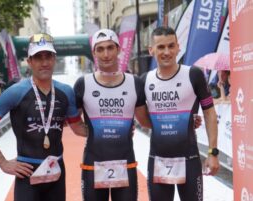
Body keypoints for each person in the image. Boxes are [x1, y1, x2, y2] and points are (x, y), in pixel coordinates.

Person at [0, 33, 87, 201]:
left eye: (48, 56)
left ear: (54, 58)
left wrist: (107, 130)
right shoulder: (16, 92)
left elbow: (78, 128)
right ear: (29, 61)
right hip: (27, 172)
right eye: (38, 57)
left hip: (56, 170)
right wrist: (3, 162)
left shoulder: (66, 92)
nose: (44, 62)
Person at [142, 26, 220, 201]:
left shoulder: (194, 75)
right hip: (158, 161)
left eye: (171, 46)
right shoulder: (145, 80)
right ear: (151, 50)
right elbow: (141, 117)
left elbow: (209, 114)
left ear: (178, 47)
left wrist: (213, 153)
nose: (167, 52)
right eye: (161, 47)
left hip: (190, 160)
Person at [74, 29, 152, 201]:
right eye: (100, 49)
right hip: (93, 165)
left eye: (110, 47)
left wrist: (187, 122)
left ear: (119, 49)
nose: (106, 54)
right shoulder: (83, 84)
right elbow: (72, 122)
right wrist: (93, 131)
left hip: (125, 163)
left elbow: (146, 122)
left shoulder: (135, 83)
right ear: (93, 52)